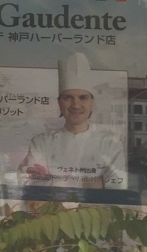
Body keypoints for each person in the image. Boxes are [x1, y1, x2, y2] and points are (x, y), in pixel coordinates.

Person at [19, 52, 126, 190]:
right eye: (68, 98)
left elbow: (116, 188)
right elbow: (30, 185)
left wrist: (55, 181)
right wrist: (92, 183)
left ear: (92, 102)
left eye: (83, 98)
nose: (76, 105)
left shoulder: (111, 144)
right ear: (59, 103)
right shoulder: (41, 142)